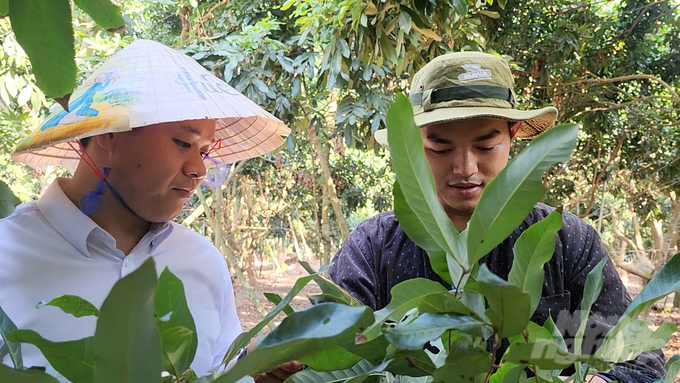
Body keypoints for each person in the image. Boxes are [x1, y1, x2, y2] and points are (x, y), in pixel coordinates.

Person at [328, 52, 666, 383]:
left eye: (485, 146)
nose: (465, 169)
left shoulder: (565, 243)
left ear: (513, 134)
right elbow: (331, 355)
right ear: (413, 145)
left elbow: (635, 362)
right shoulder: (373, 247)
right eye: (441, 148)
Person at [0, 39, 297, 381]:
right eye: (183, 143)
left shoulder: (203, 262)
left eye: (204, 151)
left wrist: (253, 371)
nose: (199, 169)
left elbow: (221, 369)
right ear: (109, 133)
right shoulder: (9, 254)